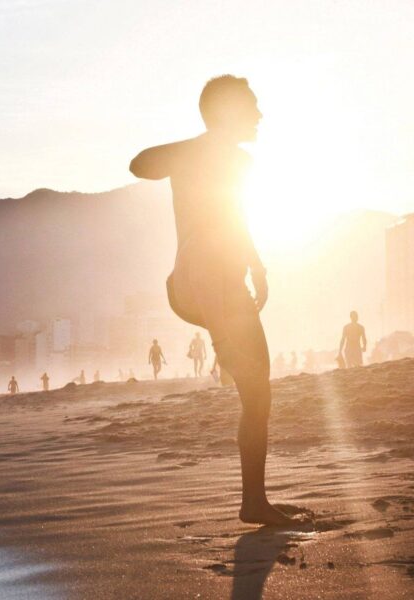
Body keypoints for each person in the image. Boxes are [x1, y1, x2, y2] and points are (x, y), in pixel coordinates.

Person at [130, 75, 295, 525]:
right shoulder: (198, 153)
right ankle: (224, 346)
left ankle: (254, 501)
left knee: (258, 394)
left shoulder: (241, 162)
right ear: (227, 114)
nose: (260, 114)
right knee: (256, 387)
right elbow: (138, 164)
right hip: (197, 281)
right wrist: (205, 141)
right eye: (252, 106)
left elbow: (237, 216)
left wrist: (258, 267)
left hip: (224, 284)